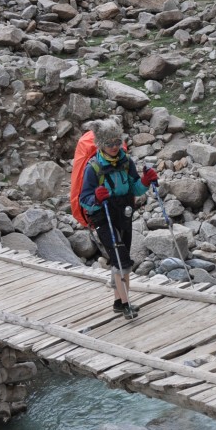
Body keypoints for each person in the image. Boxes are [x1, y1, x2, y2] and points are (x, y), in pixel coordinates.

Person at [78, 118, 158, 319]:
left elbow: (134, 188)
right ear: (101, 144)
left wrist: (146, 182)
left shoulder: (126, 162)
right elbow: (84, 200)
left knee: (120, 260)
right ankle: (126, 304)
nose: (114, 147)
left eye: (117, 142)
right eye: (109, 143)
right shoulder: (93, 168)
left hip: (124, 212)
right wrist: (96, 196)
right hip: (103, 216)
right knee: (122, 260)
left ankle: (118, 302)